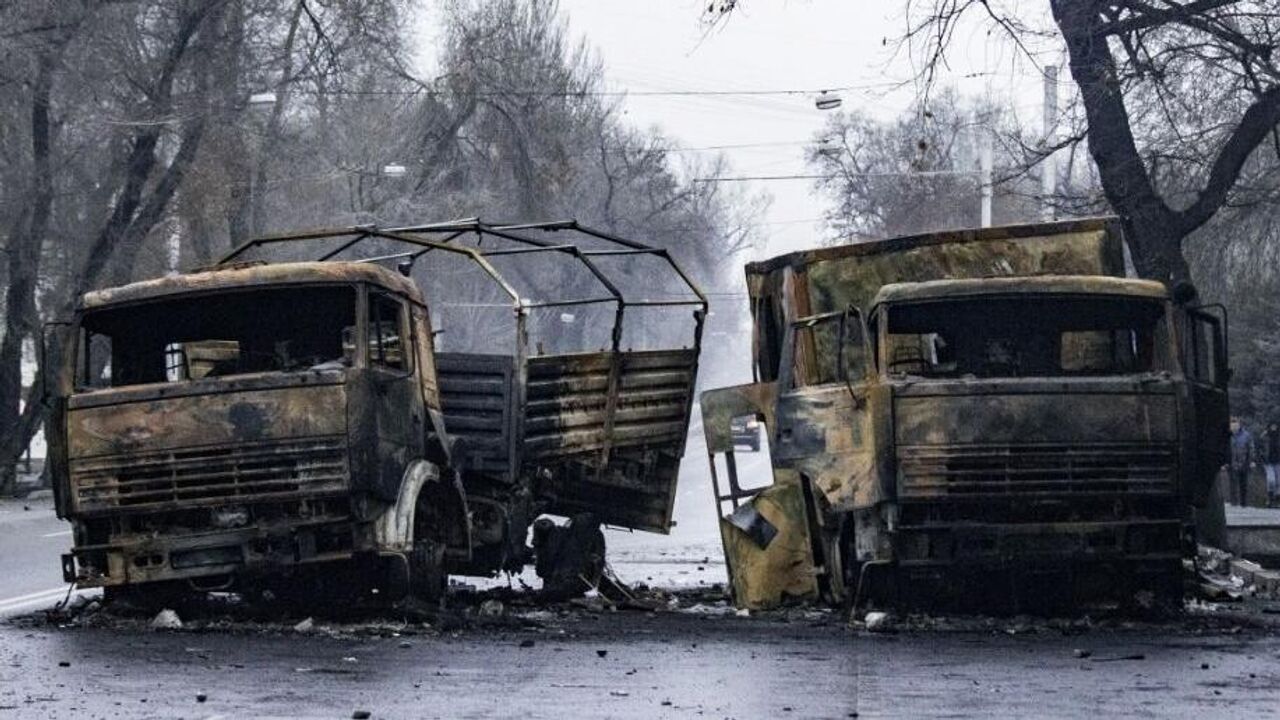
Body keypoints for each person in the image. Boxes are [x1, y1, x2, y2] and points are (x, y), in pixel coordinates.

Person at [1229, 417, 1254, 506]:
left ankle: (1243, 502)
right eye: (1232, 425)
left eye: (1236, 424)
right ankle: (1234, 502)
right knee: (1233, 483)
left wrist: (1251, 460)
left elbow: (1250, 448)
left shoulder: (1246, 435)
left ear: (1239, 425)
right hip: (1231, 462)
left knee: (1243, 483)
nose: (1234, 426)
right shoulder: (1228, 435)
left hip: (1244, 462)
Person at [1266, 421, 1280, 507]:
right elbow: (1260, 447)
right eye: (1272, 426)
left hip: (1278, 461)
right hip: (1268, 462)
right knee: (1271, 481)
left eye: (1275, 426)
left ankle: (1277, 501)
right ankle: (1270, 499)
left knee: (1279, 482)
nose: (1274, 427)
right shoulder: (1265, 436)